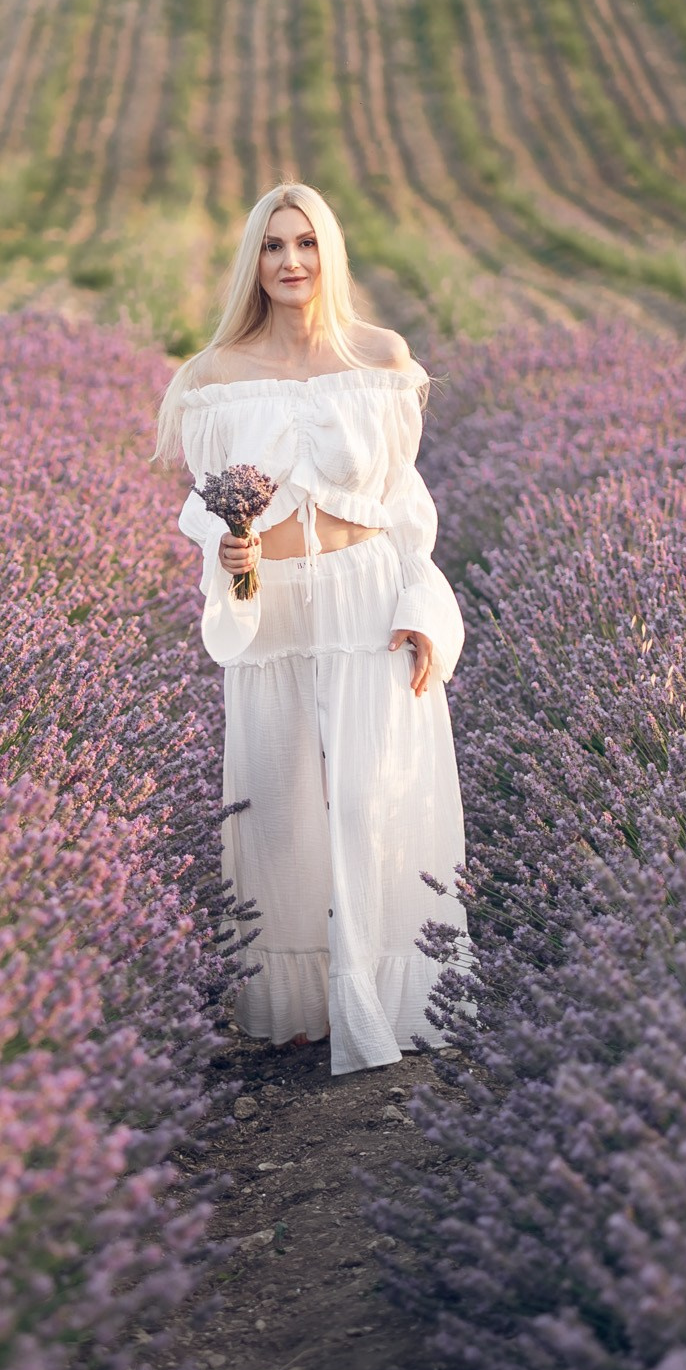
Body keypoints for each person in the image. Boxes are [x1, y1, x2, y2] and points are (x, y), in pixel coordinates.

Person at [157, 181, 467, 1075]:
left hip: (366, 595)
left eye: (305, 243)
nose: (291, 261)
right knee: (283, 805)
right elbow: (208, 511)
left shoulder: (381, 357)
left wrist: (422, 610)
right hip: (278, 606)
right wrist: (229, 554)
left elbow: (406, 502)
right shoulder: (215, 378)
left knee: (376, 797)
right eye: (271, 246)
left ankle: (389, 993)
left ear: (330, 253)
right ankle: (297, 1003)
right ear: (251, 262)